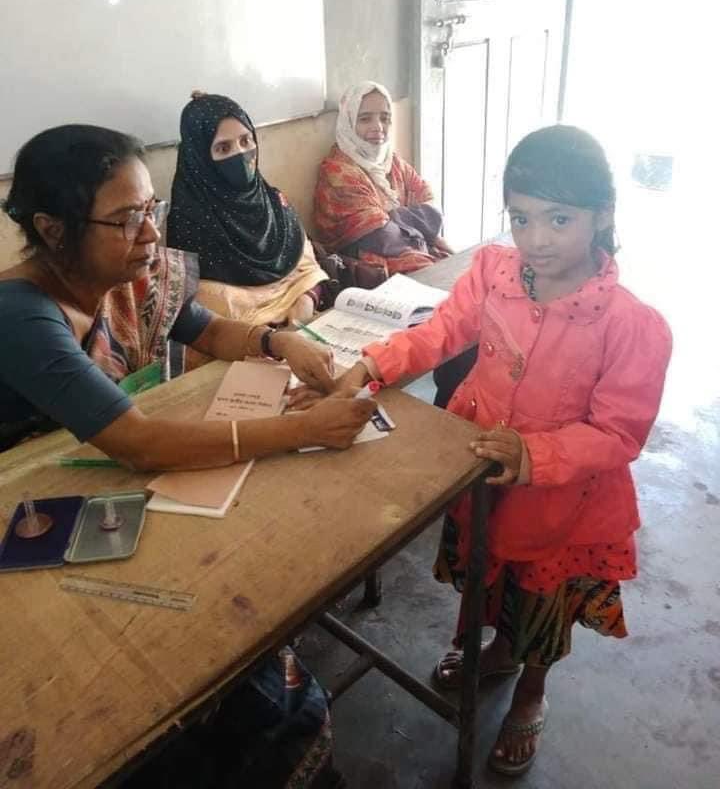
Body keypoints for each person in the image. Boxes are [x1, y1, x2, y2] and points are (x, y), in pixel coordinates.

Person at [293, 125, 672, 776]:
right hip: (476, 476)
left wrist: (532, 455)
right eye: (521, 218)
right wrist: (371, 366)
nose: (537, 239)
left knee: (541, 607)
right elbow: (440, 333)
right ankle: (498, 651)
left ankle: (530, 693)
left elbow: (618, 434)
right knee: (492, 582)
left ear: (602, 214)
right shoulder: (495, 274)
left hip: (564, 508)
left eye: (560, 218)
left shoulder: (631, 325)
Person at [0, 124, 368, 788]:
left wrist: (279, 344)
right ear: (53, 230)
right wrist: (305, 428)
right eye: (124, 218)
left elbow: (205, 327)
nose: (149, 234)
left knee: (237, 635)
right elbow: (138, 442)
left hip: (97, 498)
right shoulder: (20, 314)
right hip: (26, 536)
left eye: (151, 210)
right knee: (186, 690)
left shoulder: (120, 275)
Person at [167, 92, 330, 337]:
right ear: (199, 159)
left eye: (246, 141)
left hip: (305, 329)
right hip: (242, 352)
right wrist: (269, 339)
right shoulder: (189, 225)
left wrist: (306, 301)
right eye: (223, 148)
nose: (240, 154)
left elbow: (309, 271)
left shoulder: (274, 203)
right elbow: (203, 321)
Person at [313, 81, 452, 278]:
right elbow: (383, 237)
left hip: (410, 247)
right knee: (436, 278)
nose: (378, 127)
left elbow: (433, 211)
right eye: (365, 119)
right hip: (367, 261)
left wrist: (390, 216)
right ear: (349, 121)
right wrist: (412, 218)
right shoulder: (338, 172)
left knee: (460, 270)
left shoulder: (391, 161)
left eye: (385, 118)